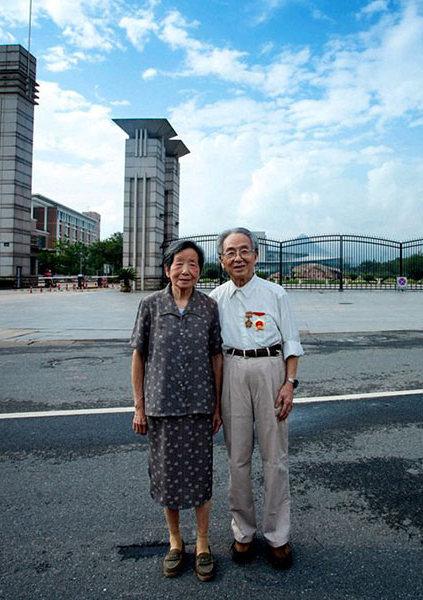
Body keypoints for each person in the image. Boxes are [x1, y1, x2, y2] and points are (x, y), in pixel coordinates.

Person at [209, 227, 304, 570]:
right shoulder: (215, 298)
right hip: (232, 370)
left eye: (244, 251)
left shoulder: (276, 294)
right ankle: (243, 532)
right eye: (230, 252)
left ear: (256, 255)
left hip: (270, 370)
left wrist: (289, 383)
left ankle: (278, 536)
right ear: (221, 260)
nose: (238, 258)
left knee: (274, 458)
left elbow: (291, 342)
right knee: (237, 459)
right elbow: (210, 352)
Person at [130, 240, 223, 582]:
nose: (186, 270)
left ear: (200, 270)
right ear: (167, 268)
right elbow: (138, 356)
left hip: (199, 406)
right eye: (179, 264)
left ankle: (202, 543)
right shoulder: (150, 306)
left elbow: (216, 356)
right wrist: (139, 406)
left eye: (193, 264)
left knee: (200, 475)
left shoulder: (209, 307)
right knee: (168, 476)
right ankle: (175, 542)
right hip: (161, 406)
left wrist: (217, 405)